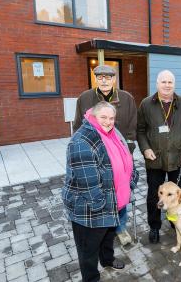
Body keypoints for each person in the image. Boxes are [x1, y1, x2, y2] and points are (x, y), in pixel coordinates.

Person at [62, 102, 139, 282]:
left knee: (108, 235)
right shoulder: (82, 140)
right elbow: (87, 180)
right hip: (90, 207)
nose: (108, 122)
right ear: (93, 117)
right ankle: (91, 278)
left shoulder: (112, 133)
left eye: (111, 118)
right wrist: (101, 205)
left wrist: (130, 182)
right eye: (103, 117)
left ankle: (107, 260)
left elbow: (126, 158)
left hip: (112, 201)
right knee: (88, 249)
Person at [72, 64, 137, 245]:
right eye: (100, 77)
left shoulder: (126, 98)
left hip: (120, 156)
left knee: (121, 193)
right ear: (95, 79)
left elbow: (132, 126)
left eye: (108, 77)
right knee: (101, 195)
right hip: (96, 158)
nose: (104, 81)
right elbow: (78, 126)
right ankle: (103, 230)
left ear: (114, 79)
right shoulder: (85, 98)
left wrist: (129, 149)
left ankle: (121, 228)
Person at [137, 70, 181, 244]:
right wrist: (145, 149)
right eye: (164, 82)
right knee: (155, 194)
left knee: (176, 194)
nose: (167, 85)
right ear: (157, 84)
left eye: (170, 82)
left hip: (178, 159)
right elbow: (140, 131)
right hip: (155, 159)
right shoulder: (146, 104)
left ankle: (174, 220)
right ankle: (154, 226)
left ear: (174, 84)